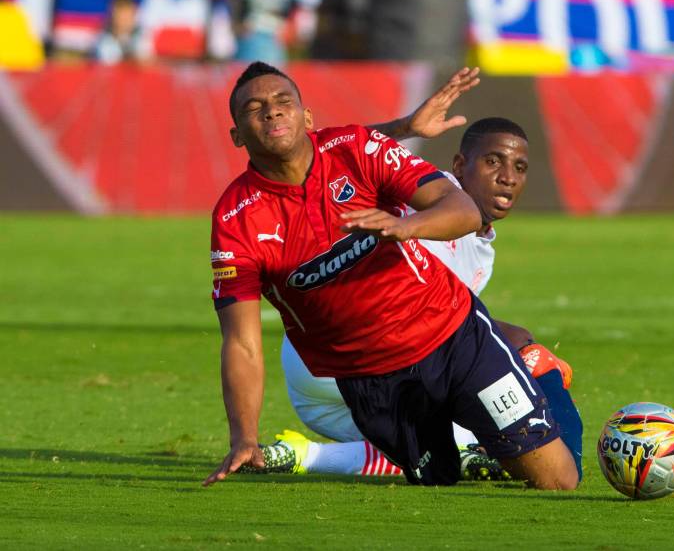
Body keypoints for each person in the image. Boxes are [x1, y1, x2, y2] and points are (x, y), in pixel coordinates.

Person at [204, 61, 579, 490]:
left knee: (558, 480)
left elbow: (461, 208)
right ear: (236, 135)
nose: (271, 112)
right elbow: (242, 342)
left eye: (283, 101)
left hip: (454, 337)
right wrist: (243, 437)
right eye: (255, 108)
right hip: (370, 378)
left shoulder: (356, 149)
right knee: (439, 480)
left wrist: (406, 227)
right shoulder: (235, 220)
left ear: (307, 117)